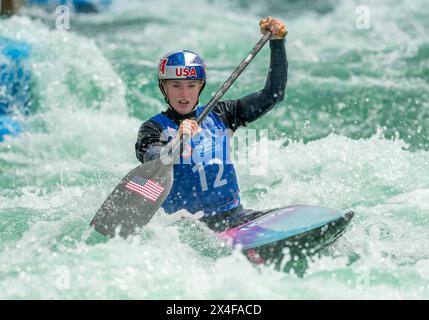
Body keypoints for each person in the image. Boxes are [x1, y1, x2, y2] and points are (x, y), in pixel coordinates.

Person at [135, 16, 288, 231]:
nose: (184, 94)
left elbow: (273, 95)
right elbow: (153, 160)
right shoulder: (153, 128)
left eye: (191, 85)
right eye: (176, 85)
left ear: (201, 86)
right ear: (164, 88)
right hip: (188, 231)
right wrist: (178, 140)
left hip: (234, 219)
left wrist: (277, 42)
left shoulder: (222, 114)